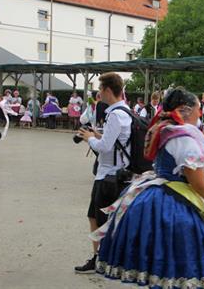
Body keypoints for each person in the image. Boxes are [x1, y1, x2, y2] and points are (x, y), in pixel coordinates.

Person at [90, 87, 204, 288]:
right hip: (174, 206)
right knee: (178, 268)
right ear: (186, 109)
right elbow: (201, 186)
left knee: (157, 267)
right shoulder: (183, 138)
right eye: (198, 108)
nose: (200, 113)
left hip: (152, 199)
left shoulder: (165, 128)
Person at [74, 72, 132, 273]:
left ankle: (103, 259)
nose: (99, 94)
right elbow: (116, 141)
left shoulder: (115, 114)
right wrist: (96, 134)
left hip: (108, 176)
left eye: (100, 89)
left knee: (99, 219)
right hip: (116, 174)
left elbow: (105, 147)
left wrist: (90, 139)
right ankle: (102, 257)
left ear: (108, 90)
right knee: (97, 217)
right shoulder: (125, 111)